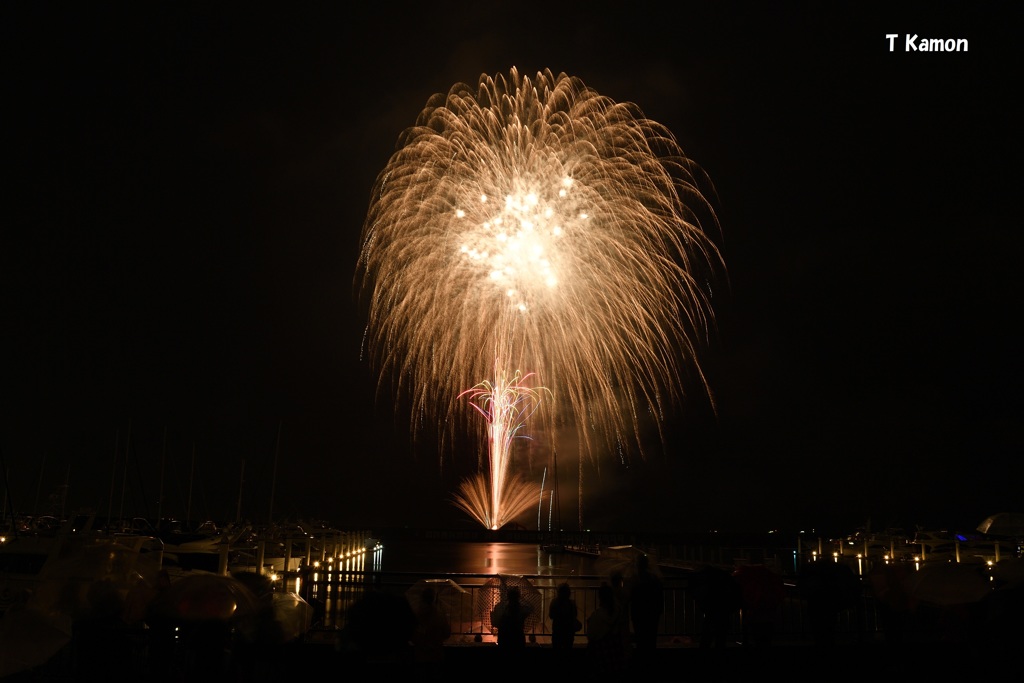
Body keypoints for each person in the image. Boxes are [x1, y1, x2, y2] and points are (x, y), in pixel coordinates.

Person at [628, 553, 664, 668]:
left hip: (638, 613)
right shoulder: (654, 579)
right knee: (651, 639)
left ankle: (641, 664)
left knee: (640, 639)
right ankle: (651, 663)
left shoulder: (635, 579)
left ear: (638, 565)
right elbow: (659, 595)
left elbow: (630, 595)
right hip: (652, 613)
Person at [586, 582, 627, 673]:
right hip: (614, 652)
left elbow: (591, 635)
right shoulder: (618, 612)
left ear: (600, 598)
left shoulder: (597, 615)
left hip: (601, 653)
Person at [411, 586, 451, 670]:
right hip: (437, 655)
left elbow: (413, 636)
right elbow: (447, 633)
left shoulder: (417, 616)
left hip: (420, 656)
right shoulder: (439, 616)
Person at [490, 586, 529, 670]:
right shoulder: (522, 609)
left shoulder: (502, 608)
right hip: (518, 638)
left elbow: (497, 622)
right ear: (518, 596)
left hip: (505, 638)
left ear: (507, 596)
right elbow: (529, 609)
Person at [548, 582, 579, 656]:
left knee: (556, 650)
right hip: (569, 631)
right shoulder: (571, 603)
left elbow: (551, 616)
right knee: (568, 651)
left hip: (557, 630)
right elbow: (575, 615)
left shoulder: (554, 602)